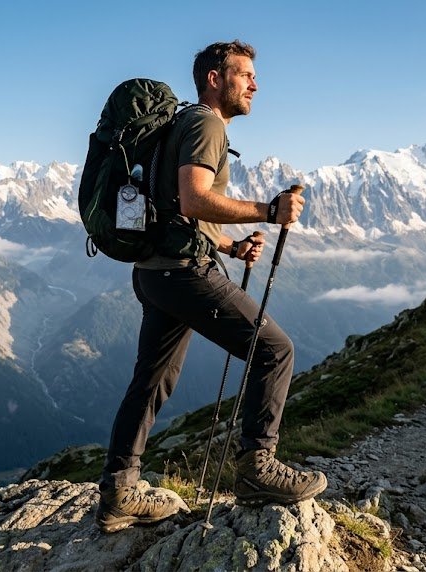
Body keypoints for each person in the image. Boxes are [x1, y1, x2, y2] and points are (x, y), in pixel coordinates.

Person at [96, 40, 327, 534]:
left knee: (152, 382)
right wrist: (268, 211)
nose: (255, 84)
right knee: (275, 350)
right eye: (245, 74)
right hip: (182, 273)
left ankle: (120, 490)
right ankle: (258, 470)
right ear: (214, 79)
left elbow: (176, 208)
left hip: (154, 273)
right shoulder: (205, 124)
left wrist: (227, 246)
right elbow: (193, 198)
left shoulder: (184, 123)